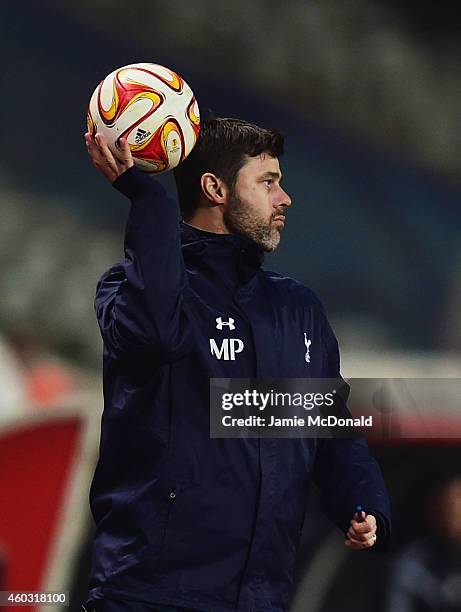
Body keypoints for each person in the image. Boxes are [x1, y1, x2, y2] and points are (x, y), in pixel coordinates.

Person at [82, 118, 391, 612]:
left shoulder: (297, 308)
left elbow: (327, 425)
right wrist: (150, 201)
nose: (285, 198)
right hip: (148, 595)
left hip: (261, 599)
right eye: (268, 183)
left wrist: (361, 499)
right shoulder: (130, 291)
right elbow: (157, 336)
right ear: (215, 188)